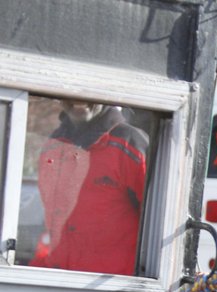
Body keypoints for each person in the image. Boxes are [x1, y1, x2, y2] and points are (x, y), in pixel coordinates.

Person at [29, 99, 148, 275]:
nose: (79, 101)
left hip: (112, 287)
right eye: (72, 94)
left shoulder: (130, 144)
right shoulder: (52, 146)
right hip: (58, 280)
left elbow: (157, 226)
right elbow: (53, 223)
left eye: (87, 95)